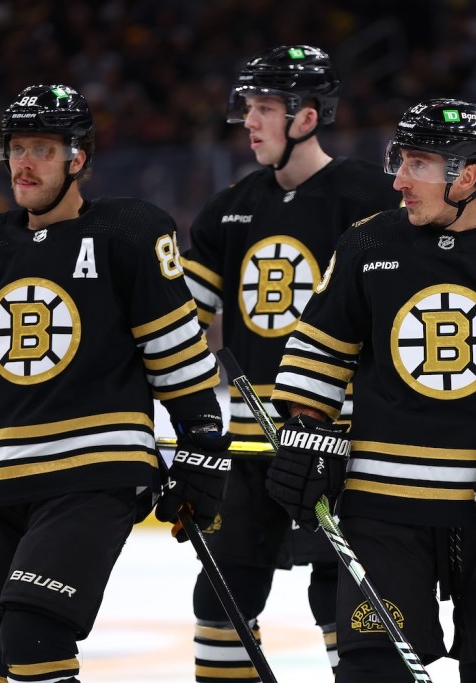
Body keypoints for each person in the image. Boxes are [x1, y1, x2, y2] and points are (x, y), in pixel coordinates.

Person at [268, 99, 476, 683]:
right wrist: (305, 431)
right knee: (371, 673)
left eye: (418, 164)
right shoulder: (365, 246)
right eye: (399, 159)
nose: (398, 179)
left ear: (468, 176)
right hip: (382, 513)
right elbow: (314, 361)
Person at [0, 83, 231, 683]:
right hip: (1, 478)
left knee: (35, 635)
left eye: (43, 150)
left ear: (78, 159)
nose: (24, 164)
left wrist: (204, 442)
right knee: (1, 647)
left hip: (95, 471)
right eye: (17, 148)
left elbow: (176, 357)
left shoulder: (130, 232)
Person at [179, 45, 401, 680]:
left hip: (338, 444)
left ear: (307, 117)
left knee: (342, 603)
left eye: (265, 107)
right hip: (251, 449)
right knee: (220, 600)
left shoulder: (366, 197)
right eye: (247, 106)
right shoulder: (228, 209)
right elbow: (178, 329)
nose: (250, 121)